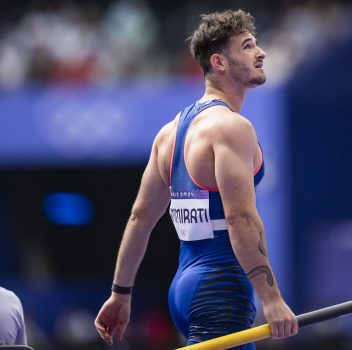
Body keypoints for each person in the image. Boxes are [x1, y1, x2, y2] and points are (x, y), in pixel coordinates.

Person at [94, 9, 297, 348]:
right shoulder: (232, 128)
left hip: (186, 288)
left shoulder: (169, 133)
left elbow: (139, 219)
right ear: (219, 62)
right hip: (220, 288)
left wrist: (121, 294)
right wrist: (272, 299)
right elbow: (240, 219)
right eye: (247, 47)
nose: (261, 53)